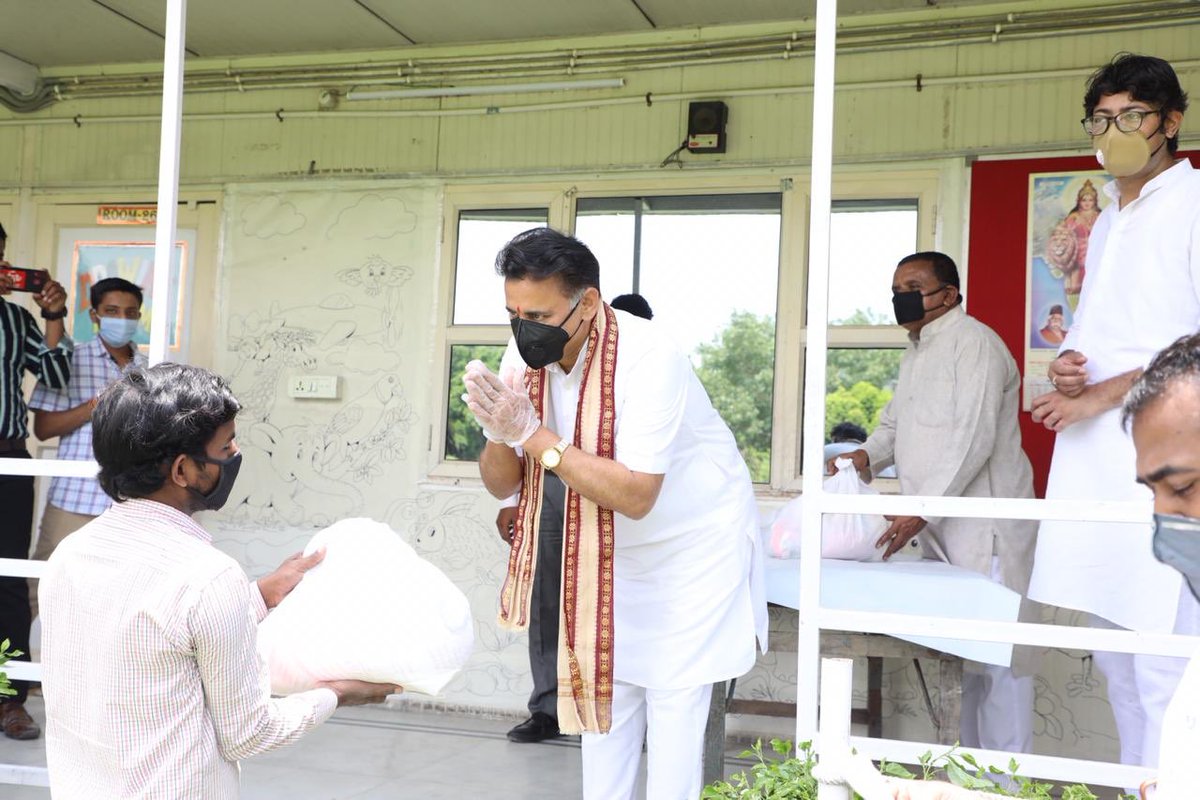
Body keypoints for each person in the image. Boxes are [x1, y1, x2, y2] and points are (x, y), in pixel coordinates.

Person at [464, 228, 764, 800]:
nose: (525, 327)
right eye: (513, 312)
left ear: (590, 303)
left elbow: (636, 494)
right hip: (602, 547)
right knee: (601, 697)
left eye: (540, 313)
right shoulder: (524, 354)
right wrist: (501, 432)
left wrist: (531, 432)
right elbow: (501, 481)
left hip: (690, 549)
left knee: (674, 704)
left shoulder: (651, 355)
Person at [39, 363, 398, 797]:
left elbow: (157, 637)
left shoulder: (70, 555)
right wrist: (336, 695)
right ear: (183, 471)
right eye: (226, 445)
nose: (235, 454)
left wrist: (260, 595)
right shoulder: (206, 576)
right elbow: (250, 733)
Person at [1027, 53, 1199, 775]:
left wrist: (1105, 394)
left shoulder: (1192, 205)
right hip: (1098, 464)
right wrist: (1072, 370)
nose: (1114, 131)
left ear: (1172, 123)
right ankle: (1141, 787)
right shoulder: (1104, 224)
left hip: (1171, 464)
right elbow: (1108, 334)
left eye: (1131, 116)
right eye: (1101, 119)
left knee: (1170, 664)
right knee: (1118, 660)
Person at [831, 251, 1039, 754]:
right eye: (897, 287)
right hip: (939, 527)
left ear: (949, 294)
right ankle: (969, 779)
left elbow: (973, 438)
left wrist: (920, 509)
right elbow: (895, 426)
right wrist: (865, 458)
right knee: (960, 660)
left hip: (984, 526)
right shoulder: (918, 349)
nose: (902, 296)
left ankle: (1006, 788)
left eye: (914, 286)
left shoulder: (976, 344)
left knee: (999, 664)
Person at [496, 291, 655, 745]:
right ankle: (547, 707)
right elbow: (515, 437)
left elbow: (641, 479)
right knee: (548, 598)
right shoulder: (547, 354)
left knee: (614, 603)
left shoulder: (646, 367)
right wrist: (508, 503)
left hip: (619, 496)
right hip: (551, 488)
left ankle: (622, 711)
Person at [27, 277, 148, 619]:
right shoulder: (71, 358)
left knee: (115, 598)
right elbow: (44, 427)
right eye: (111, 311)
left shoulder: (146, 368)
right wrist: (96, 404)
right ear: (94, 314)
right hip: (74, 497)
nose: (121, 318)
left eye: (130, 312)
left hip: (127, 502)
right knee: (39, 589)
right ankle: (15, 670)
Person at [0, 221, 71, 741]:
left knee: (7, 582)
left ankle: (8, 699)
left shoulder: (13, 317)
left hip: (7, 461)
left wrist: (52, 315)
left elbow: (57, 376)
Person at [1044, 180, 1101, 312]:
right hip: (1075, 257)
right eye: (1084, 200)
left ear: (1095, 201)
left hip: (1096, 256)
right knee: (1075, 287)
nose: (1087, 203)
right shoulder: (1073, 218)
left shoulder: (1101, 216)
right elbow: (1063, 237)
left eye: (1090, 200)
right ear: (1078, 201)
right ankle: (1076, 317)